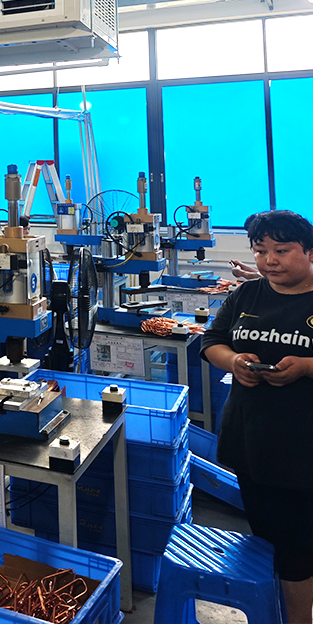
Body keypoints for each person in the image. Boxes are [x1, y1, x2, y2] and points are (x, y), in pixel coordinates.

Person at [201, 210, 313, 624]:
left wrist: (306, 367)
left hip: (303, 448)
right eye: (261, 251)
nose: (269, 260)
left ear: (310, 252)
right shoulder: (246, 295)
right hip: (251, 441)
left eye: (282, 250)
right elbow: (212, 341)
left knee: (297, 550)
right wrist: (234, 362)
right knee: (268, 540)